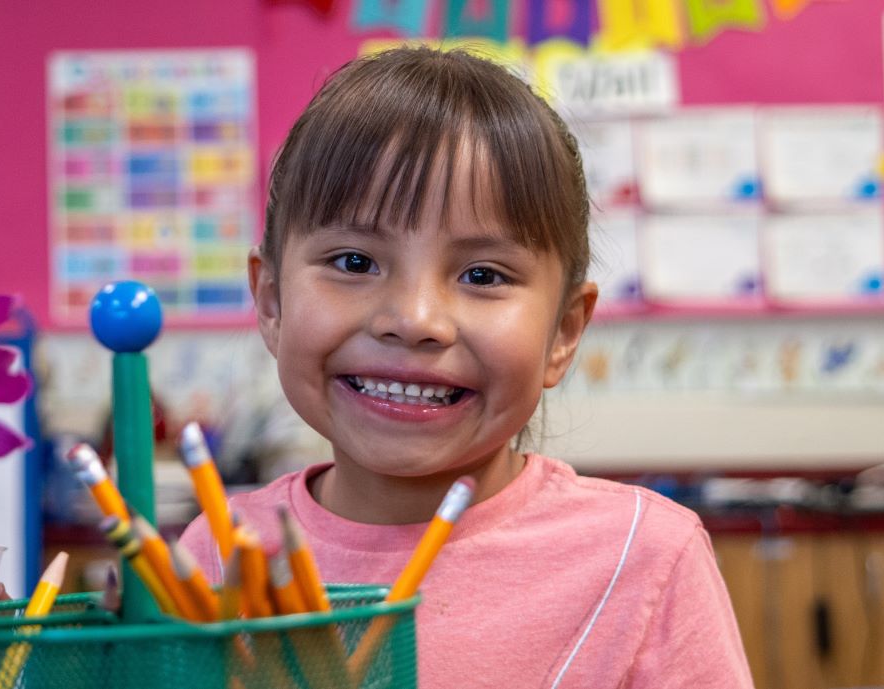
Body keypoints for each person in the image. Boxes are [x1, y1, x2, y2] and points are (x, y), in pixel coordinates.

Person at [177, 47, 752, 687]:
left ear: (564, 333)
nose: (417, 318)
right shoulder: (215, 557)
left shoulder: (645, 557)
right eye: (354, 262)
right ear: (273, 301)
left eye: (483, 275)